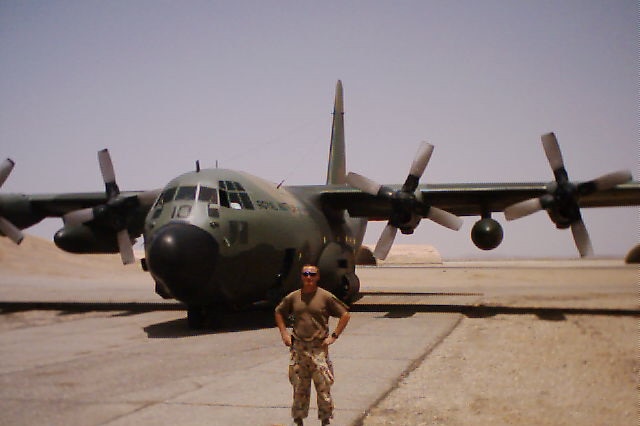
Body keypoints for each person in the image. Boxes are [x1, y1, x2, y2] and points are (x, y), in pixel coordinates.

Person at [275, 264, 351, 426]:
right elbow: (279, 312)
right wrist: (284, 334)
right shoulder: (294, 297)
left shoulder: (325, 297)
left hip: (318, 349)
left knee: (323, 387)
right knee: (299, 388)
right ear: (301, 277)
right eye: (305, 274)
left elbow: (345, 314)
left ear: (317, 277)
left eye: (312, 274)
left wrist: (334, 336)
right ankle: (299, 420)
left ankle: (325, 419)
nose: (308, 277)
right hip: (299, 349)